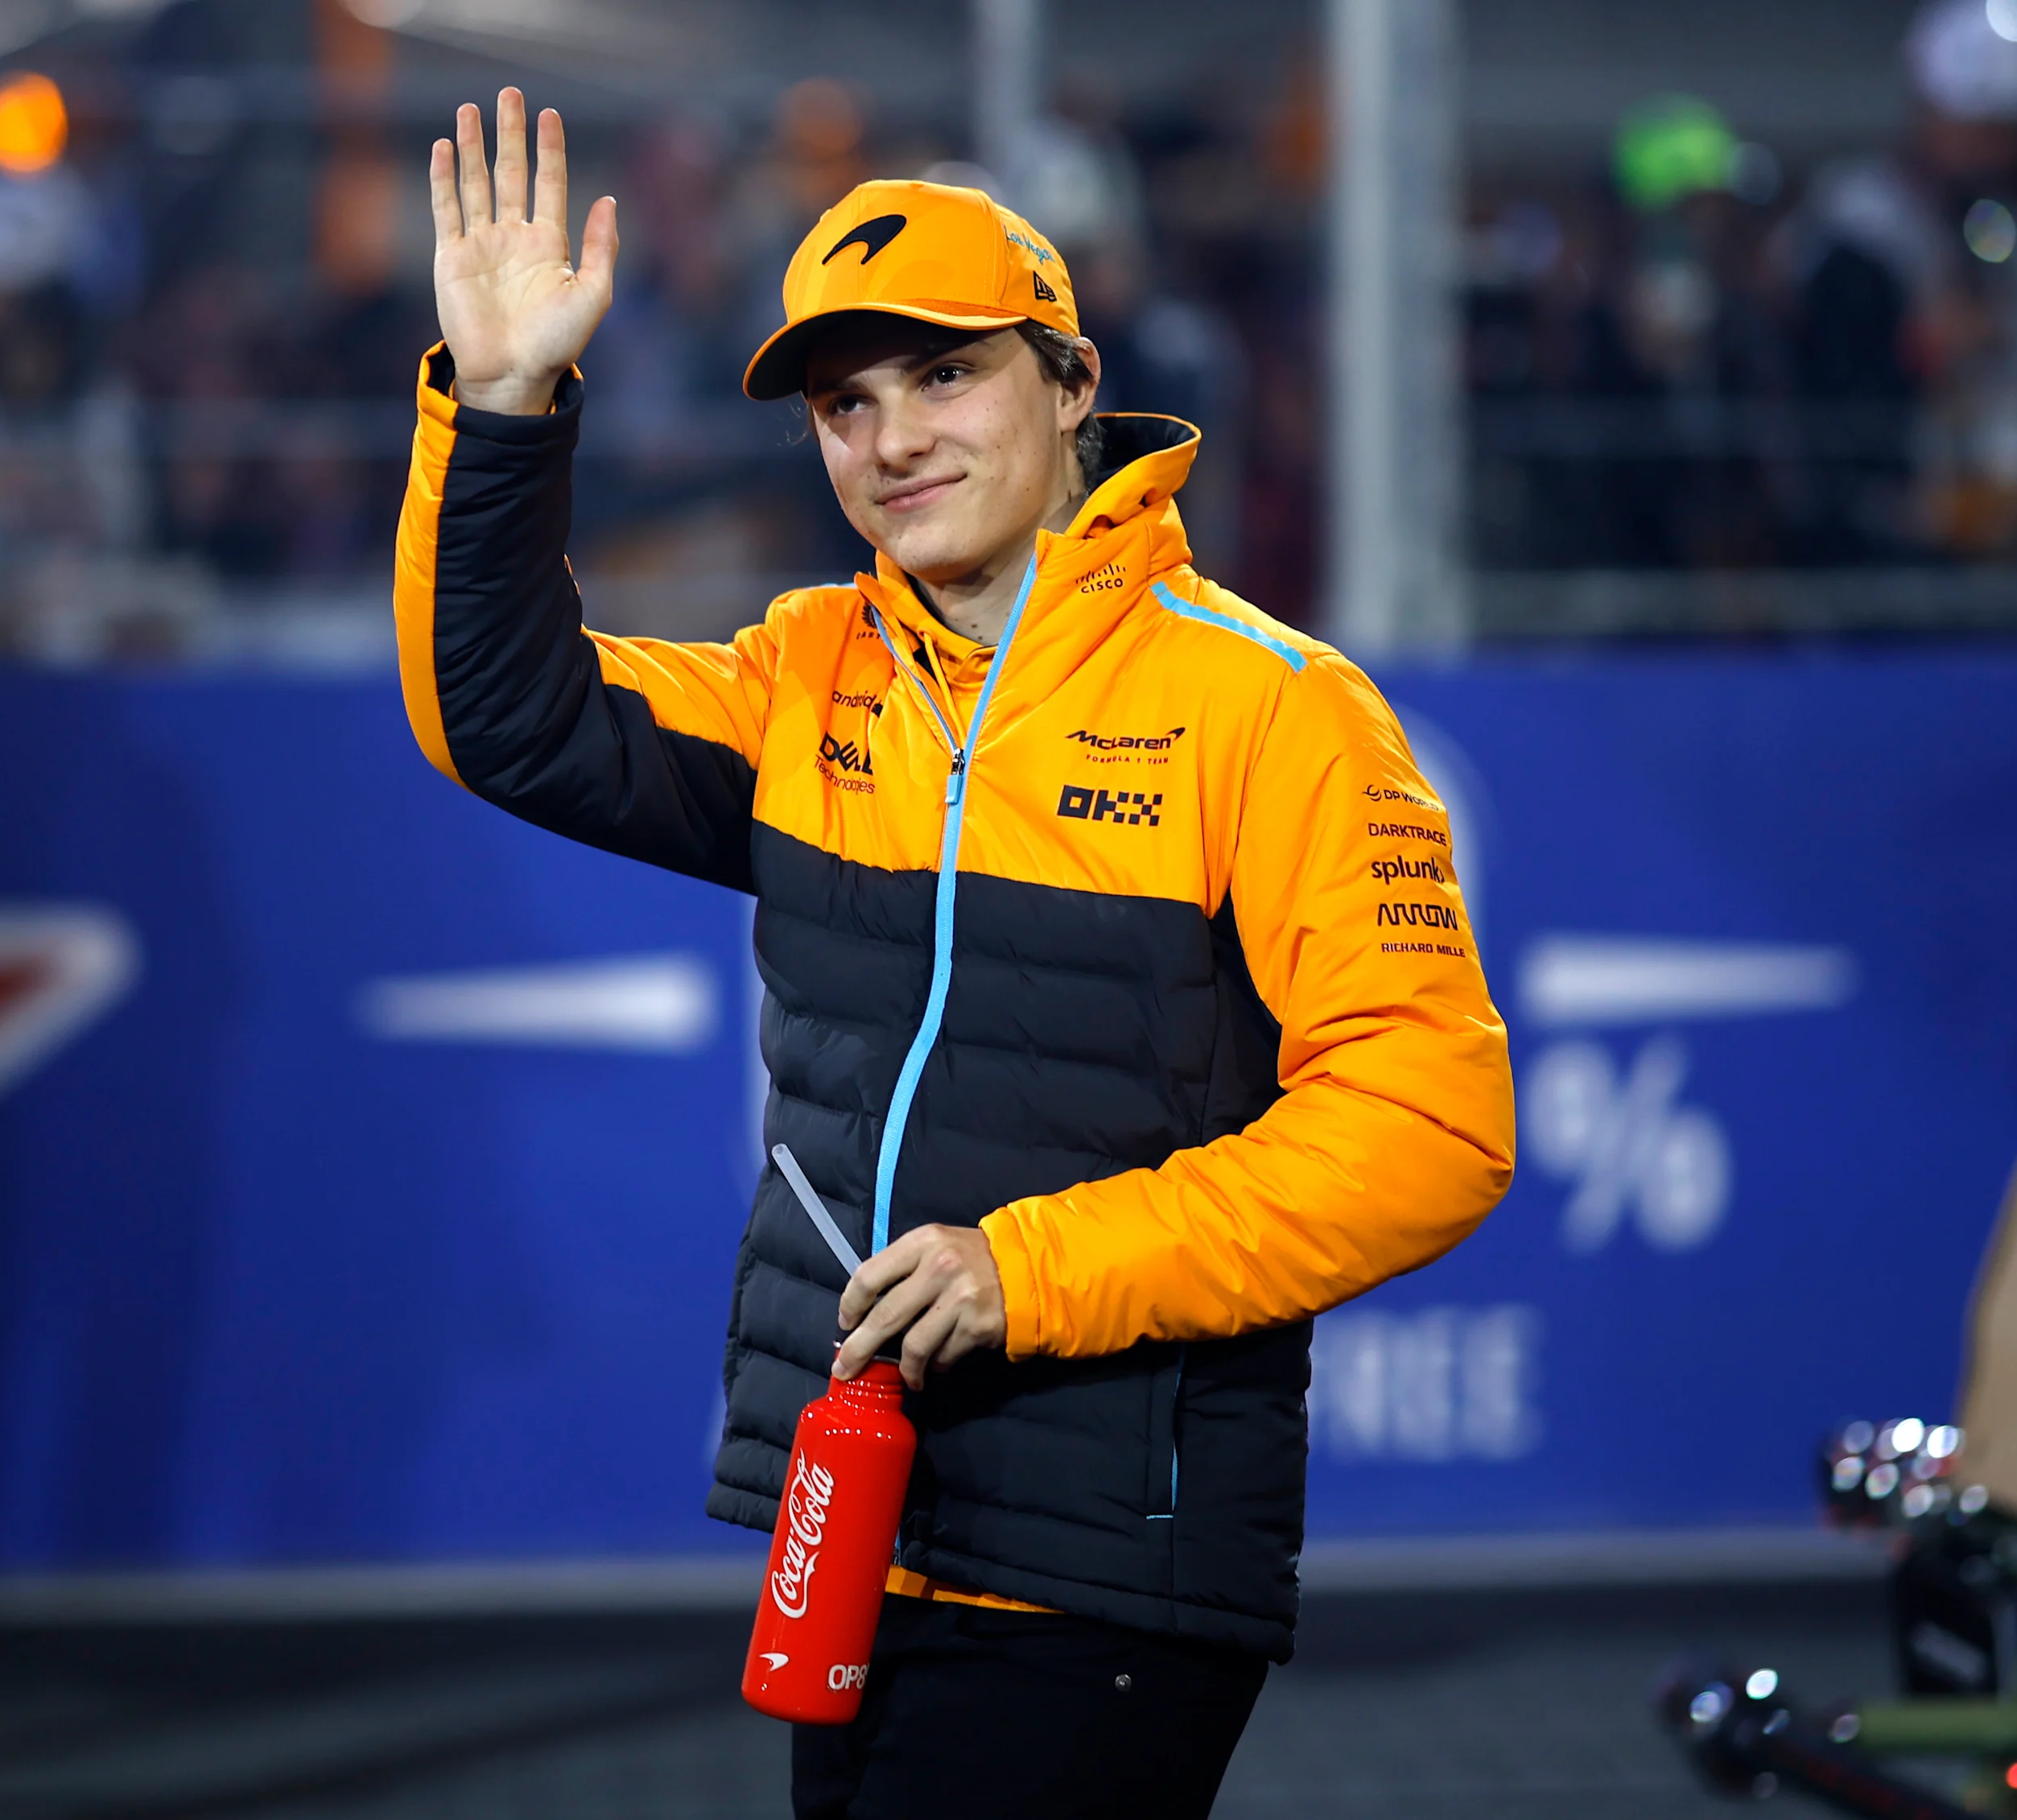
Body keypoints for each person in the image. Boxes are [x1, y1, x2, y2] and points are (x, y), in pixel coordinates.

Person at [398, 93, 1514, 1818]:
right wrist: (499, 406)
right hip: (855, 1524)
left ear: (1071, 383)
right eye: (846, 402)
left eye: (944, 374)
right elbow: (507, 716)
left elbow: (1429, 1123)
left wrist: (1030, 1269)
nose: (890, 437)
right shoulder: (807, 674)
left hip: (1104, 1558)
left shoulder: (1271, 706)